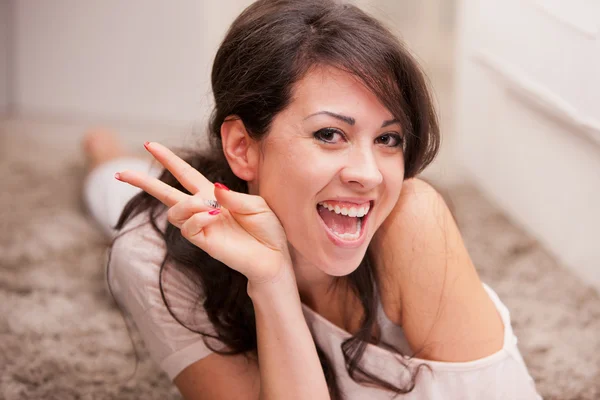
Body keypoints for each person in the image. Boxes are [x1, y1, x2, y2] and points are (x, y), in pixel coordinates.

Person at [82, 0, 542, 399]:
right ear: (242, 146)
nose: (367, 174)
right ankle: (101, 150)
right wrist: (272, 285)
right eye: (329, 134)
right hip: (202, 209)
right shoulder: (151, 252)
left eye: (388, 139)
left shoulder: (414, 220)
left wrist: (275, 276)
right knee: (118, 188)